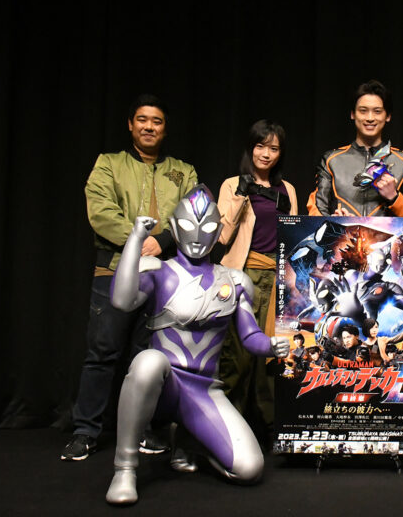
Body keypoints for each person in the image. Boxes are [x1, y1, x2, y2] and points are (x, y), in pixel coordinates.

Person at [104, 186, 290, 504]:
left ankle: (190, 440)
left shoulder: (234, 281)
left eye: (207, 227)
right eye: (189, 225)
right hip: (161, 385)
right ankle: (124, 469)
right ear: (175, 228)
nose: (197, 236)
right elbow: (121, 300)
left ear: (217, 232)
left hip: (203, 392)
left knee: (250, 469)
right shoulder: (158, 271)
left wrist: (272, 345)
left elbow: (250, 337)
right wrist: (135, 241)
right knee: (148, 362)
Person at [62, 94, 197, 461]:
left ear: (164, 129)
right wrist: (138, 240)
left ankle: (142, 431)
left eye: (156, 121)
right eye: (142, 119)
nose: (149, 127)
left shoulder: (183, 171)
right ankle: (85, 432)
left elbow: (192, 210)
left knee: (149, 358)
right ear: (131, 124)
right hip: (114, 269)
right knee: (102, 352)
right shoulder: (109, 164)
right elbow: (101, 211)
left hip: (162, 275)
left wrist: (163, 241)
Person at [216, 119, 298, 444]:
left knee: (273, 358)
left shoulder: (287, 189)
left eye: (273, 148)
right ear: (251, 148)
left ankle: (272, 430)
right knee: (237, 357)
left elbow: (293, 236)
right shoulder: (232, 184)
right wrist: (241, 194)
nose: (266, 153)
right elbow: (222, 236)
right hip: (243, 276)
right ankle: (226, 432)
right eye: (260, 146)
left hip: (278, 280)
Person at [307, 79, 403, 218]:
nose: (370, 118)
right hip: (345, 233)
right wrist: (337, 223)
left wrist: (394, 197)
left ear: (388, 116)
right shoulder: (331, 160)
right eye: (363, 111)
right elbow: (316, 213)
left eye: (377, 111)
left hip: (389, 233)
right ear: (353, 114)